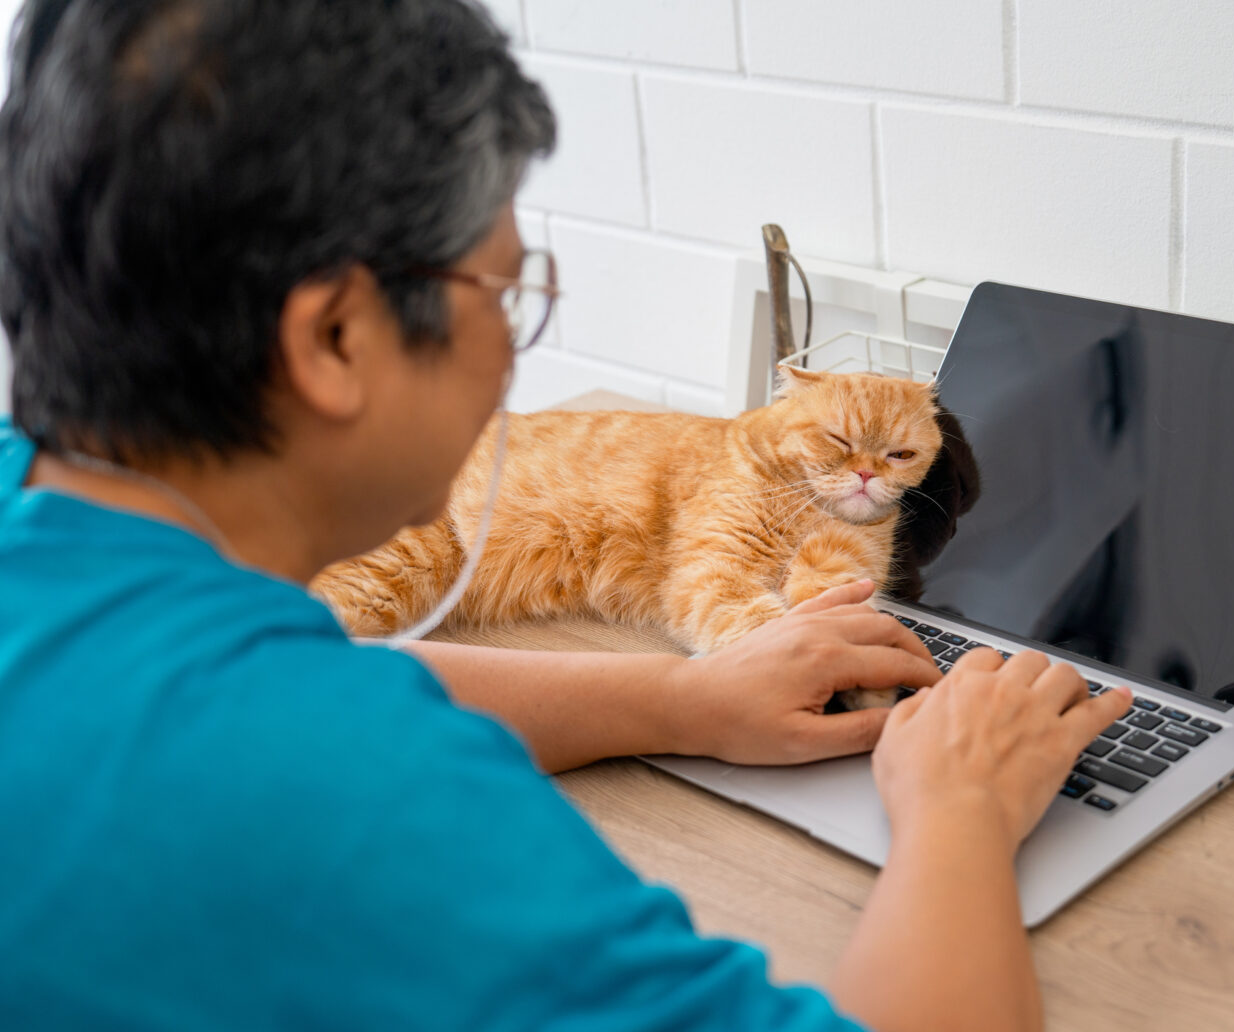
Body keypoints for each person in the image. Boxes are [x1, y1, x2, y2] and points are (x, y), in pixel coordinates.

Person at [0, 1, 1131, 1029]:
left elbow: (290, 673)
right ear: (337, 338)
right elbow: (310, 728)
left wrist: (681, 698)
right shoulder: (373, 802)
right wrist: (962, 814)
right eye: (504, 290)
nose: (512, 344)